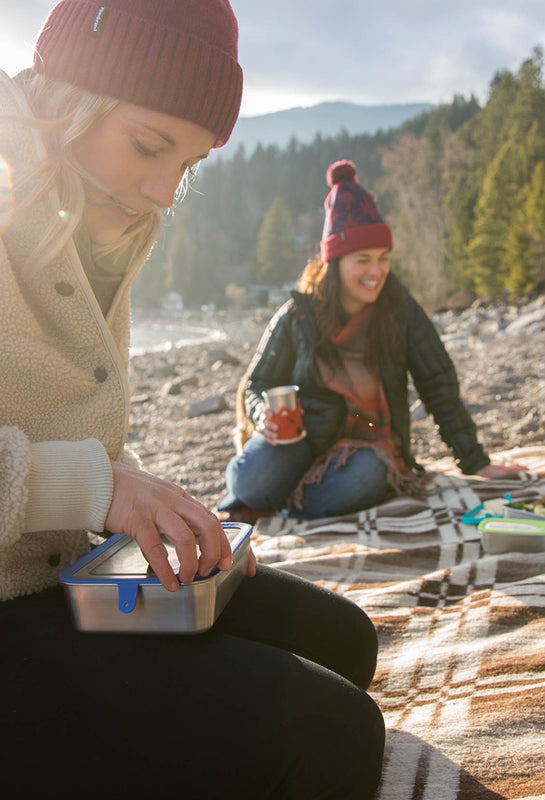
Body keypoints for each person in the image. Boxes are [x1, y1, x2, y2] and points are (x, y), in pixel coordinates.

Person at [0, 6, 385, 800]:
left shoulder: (101, 217)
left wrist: (144, 507)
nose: (162, 191)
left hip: (59, 572)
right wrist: (101, 487)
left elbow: (56, 418)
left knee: (341, 642)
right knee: (329, 734)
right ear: (65, 97)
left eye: (188, 163)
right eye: (148, 146)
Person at [218, 159, 525, 521]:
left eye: (383, 258)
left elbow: (438, 385)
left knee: (361, 479)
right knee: (247, 480)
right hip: (302, 440)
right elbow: (257, 383)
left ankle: (290, 500)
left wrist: (476, 462)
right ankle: (285, 494)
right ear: (335, 262)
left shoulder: (400, 310)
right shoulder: (298, 314)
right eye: (363, 259)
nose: (376, 271)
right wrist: (261, 414)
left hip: (370, 446)